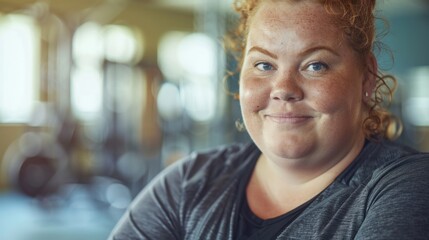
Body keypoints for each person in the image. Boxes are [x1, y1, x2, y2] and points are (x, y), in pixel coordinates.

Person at [109, 0, 429, 239]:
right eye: (264, 65)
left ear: (367, 79)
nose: (284, 90)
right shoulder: (188, 185)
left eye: (315, 65)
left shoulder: (407, 189)